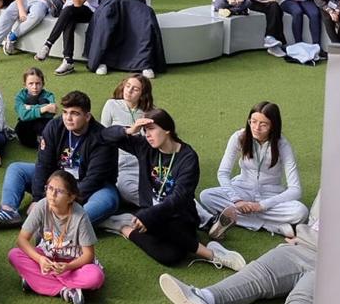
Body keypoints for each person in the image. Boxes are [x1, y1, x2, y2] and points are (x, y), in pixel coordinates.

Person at [96, 109, 244, 271]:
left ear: (167, 129)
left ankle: (125, 226)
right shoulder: (144, 146)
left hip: (179, 216)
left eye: (152, 129)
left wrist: (148, 216)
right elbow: (104, 135)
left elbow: (180, 198)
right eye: (145, 131)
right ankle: (212, 254)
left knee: (171, 254)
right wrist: (130, 130)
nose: (147, 135)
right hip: (150, 214)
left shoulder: (188, 157)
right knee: (171, 255)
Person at [159, 195, 321, 304]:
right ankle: (203, 297)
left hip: (337, 261)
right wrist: (303, 236)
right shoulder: (336, 179)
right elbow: (317, 217)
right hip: (305, 244)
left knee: (306, 294)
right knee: (260, 271)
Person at [0, 90, 118, 228]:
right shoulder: (55, 126)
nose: (68, 118)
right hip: (58, 178)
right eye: (65, 112)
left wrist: (57, 200)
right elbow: (44, 164)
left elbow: (94, 180)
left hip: (93, 188)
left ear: (87, 116)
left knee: (108, 200)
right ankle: (8, 212)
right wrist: (38, 199)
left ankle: (63, 226)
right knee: (16, 169)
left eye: (75, 113)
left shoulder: (102, 138)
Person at [199, 102, 307, 240]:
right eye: (253, 121)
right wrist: (236, 200)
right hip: (242, 189)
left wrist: (262, 206)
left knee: (301, 211)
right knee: (206, 196)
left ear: (273, 125)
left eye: (263, 124)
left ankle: (239, 218)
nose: (256, 128)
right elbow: (223, 173)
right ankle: (272, 226)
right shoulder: (239, 137)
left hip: (269, 194)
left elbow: (295, 189)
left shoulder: (282, 145)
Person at [8, 169, 106, 304]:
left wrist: (67, 267)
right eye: (49, 189)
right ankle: (66, 291)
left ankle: (37, 282)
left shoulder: (80, 216)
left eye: (59, 191)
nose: (52, 195)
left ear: (71, 197)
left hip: (74, 265)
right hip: (47, 258)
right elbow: (22, 240)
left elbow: (88, 255)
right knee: (14, 255)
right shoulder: (42, 206)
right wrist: (40, 259)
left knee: (96, 276)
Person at [41, 0, 100, 75]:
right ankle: (68, 60)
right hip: (70, 11)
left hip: (87, 11)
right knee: (69, 19)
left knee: (68, 10)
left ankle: (48, 43)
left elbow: (78, 4)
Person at [100, 74, 153, 205]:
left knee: (167, 187)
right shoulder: (111, 105)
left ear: (143, 94)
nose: (128, 91)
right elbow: (103, 136)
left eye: (135, 89)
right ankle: (165, 208)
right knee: (127, 190)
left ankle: (207, 218)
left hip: (146, 162)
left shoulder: (150, 113)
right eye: (127, 86)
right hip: (122, 164)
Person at [13, 66, 57, 150]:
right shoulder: (20, 96)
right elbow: (23, 115)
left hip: (42, 126)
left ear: (42, 84)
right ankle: (36, 141)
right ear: (25, 85)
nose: (34, 87)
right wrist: (44, 109)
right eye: (31, 83)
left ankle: (42, 139)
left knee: (43, 101)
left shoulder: (49, 95)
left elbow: (51, 113)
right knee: (32, 102)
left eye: (38, 83)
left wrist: (30, 108)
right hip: (26, 128)